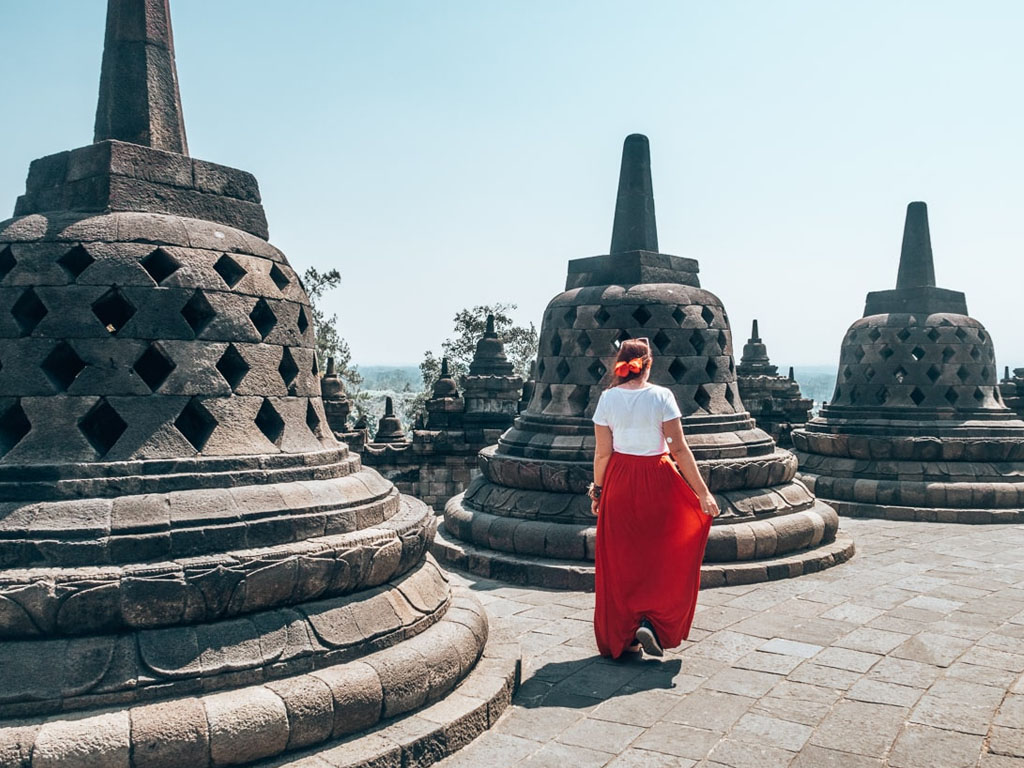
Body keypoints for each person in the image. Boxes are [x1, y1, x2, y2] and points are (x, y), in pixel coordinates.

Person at [589, 337, 720, 659]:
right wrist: (703, 494)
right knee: (662, 557)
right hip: (659, 479)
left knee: (622, 562)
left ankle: (627, 632)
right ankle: (652, 620)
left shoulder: (607, 399)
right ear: (648, 365)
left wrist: (598, 491)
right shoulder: (662, 396)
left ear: (621, 366)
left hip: (619, 481)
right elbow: (678, 448)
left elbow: (603, 454)